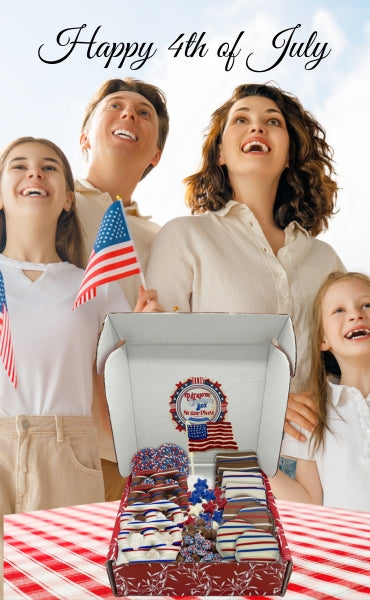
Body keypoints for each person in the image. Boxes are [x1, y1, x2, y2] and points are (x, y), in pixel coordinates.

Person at [146, 83, 345, 467]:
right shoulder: (185, 236)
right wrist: (261, 402)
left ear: (289, 154)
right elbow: (161, 362)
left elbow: (347, 368)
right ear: (220, 152)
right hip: (220, 463)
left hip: (317, 467)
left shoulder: (325, 259)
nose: (257, 128)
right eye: (241, 120)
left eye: (273, 121)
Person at [0, 136, 161, 519]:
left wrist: (141, 336)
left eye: (49, 166)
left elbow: (114, 394)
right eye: (19, 165)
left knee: (57, 577)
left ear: (68, 199)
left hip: (69, 452)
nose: (34, 171)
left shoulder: (96, 286)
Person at [76, 78, 169, 501]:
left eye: (144, 112)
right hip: (44, 431)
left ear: (157, 155)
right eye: (115, 105)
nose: (129, 114)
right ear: (84, 136)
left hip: (124, 453)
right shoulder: (43, 201)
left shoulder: (163, 239)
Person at [269, 271, 370, 512]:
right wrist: (254, 460)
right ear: (323, 339)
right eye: (339, 310)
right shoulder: (311, 412)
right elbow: (308, 501)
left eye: (366, 304)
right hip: (348, 549)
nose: (356, 314)